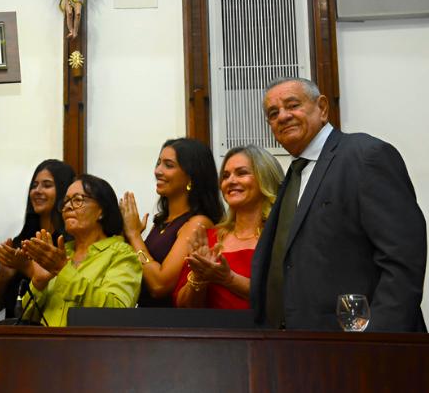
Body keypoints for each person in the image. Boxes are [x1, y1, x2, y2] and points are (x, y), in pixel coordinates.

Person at [251, 77, 426, 331]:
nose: (283, 116)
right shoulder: (294, 175)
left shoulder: (365, 156)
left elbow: (403, 259)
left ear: (322, 108)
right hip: (295, 345)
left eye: (292, 105)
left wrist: (377, 338)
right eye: (273, 113)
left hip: (359, 345)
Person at [19, 174, 142, 327]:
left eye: (78, 200)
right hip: (46, 342)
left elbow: (117, 313)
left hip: (90, 343)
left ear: (101, 211)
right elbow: (25, 318)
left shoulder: (122, 254)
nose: (68, 207)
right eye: (65, 202)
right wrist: (39, 281)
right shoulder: (61, 254)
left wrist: (63, 270)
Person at [174, 145, 283, 309]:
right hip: (212, 326)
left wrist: (229, 279)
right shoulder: (209, 239)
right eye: (225, 176)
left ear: (265, 178)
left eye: (242, 173)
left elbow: (287, 298)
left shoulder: (282, 237)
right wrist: (199, 277)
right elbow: (184, 307)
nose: (230, 181)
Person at [119, 138, 224, 307]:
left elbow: (159, 285)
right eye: (158, 163)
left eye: (168, 165)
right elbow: (141, 274)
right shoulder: (162, 222)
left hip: (169, 321)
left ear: (191, 176)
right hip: (144, 317)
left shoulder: (197, 223)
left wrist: (135, 237)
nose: (157, 171)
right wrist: (127, 238)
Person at [0, 159, 75, 321]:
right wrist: (3, 277)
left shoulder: (68, 244)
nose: (37, 191)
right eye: (34, 185)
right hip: (15, 334)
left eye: (47, 185)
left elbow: (68, 296)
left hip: (52, 332)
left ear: (64, 192)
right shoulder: (21, 242)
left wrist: (27, 268)